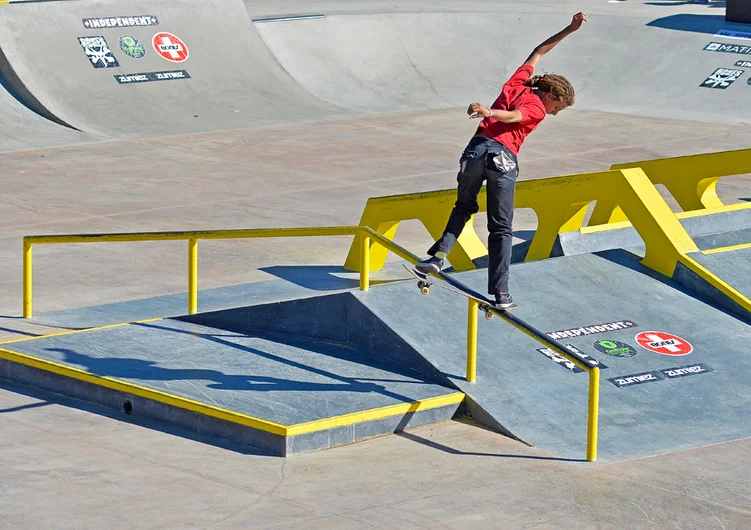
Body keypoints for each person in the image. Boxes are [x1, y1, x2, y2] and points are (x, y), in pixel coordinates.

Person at [414, 12, 588, 308]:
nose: (555, 112)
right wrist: (491, 113)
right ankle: (501, 293)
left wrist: (569, 30)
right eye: (557, 106)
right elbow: (517, 116)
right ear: (548, 95)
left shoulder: (517, 82)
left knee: (464, 206)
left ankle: (437, 258)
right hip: (501, 158)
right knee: (501, 227)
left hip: (474, 152)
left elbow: (539, 50)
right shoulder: (537, 107)